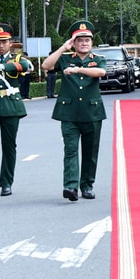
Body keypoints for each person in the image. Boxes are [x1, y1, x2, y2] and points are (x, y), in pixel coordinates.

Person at [42, 20, 107, 201]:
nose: (84, 43)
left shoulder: (98, 59)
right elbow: (46, 66)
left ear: (92, 42)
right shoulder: (65, 59)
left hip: (92, 113)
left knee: (90, 152)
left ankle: (87, 185)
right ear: (74, 42)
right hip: (69, 113)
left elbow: (101, 73)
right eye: (80, 40)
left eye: (87, 40)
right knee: (70, 150)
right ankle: (70, 186)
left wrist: (79, 69)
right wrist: (63, 48)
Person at [0, 23, 30, 196]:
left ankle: (6, 182)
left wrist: (1, 67)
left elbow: (25, 67)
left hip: (11, 104)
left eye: (4, 41)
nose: (1, 45)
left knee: (9, 145)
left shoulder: (18, 59)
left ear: (11, 43)